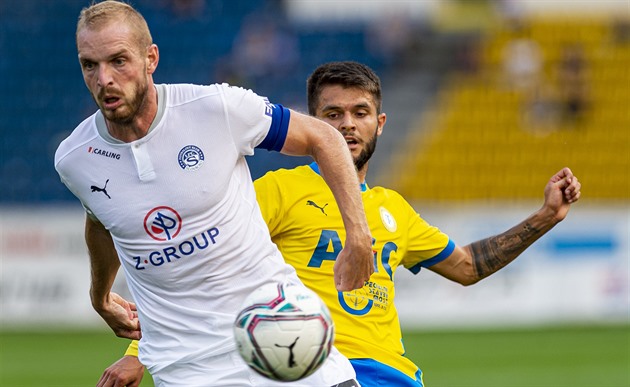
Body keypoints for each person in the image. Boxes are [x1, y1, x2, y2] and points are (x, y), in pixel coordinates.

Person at [98, 61, 581, 387]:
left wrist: (545, 216)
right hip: (307, 368)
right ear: (314, 123)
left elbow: (468, 266)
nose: (347, 124)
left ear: (381, 123)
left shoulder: (395, 209)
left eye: (360, 113)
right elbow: (197, 272)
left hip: (393, 374)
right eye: (333, 114)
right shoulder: (277, 192)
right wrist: (140, 354)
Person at [54, 2, 374, 386]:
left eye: (118, 61)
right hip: (187, 367)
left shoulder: (215, 108)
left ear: (150, 58)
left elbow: (324, 137)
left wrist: (357, 237)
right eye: (90, 65)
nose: (104, 78)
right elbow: (102, 220)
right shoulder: (75, 159)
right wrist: (100, 296)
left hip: (283, 331)